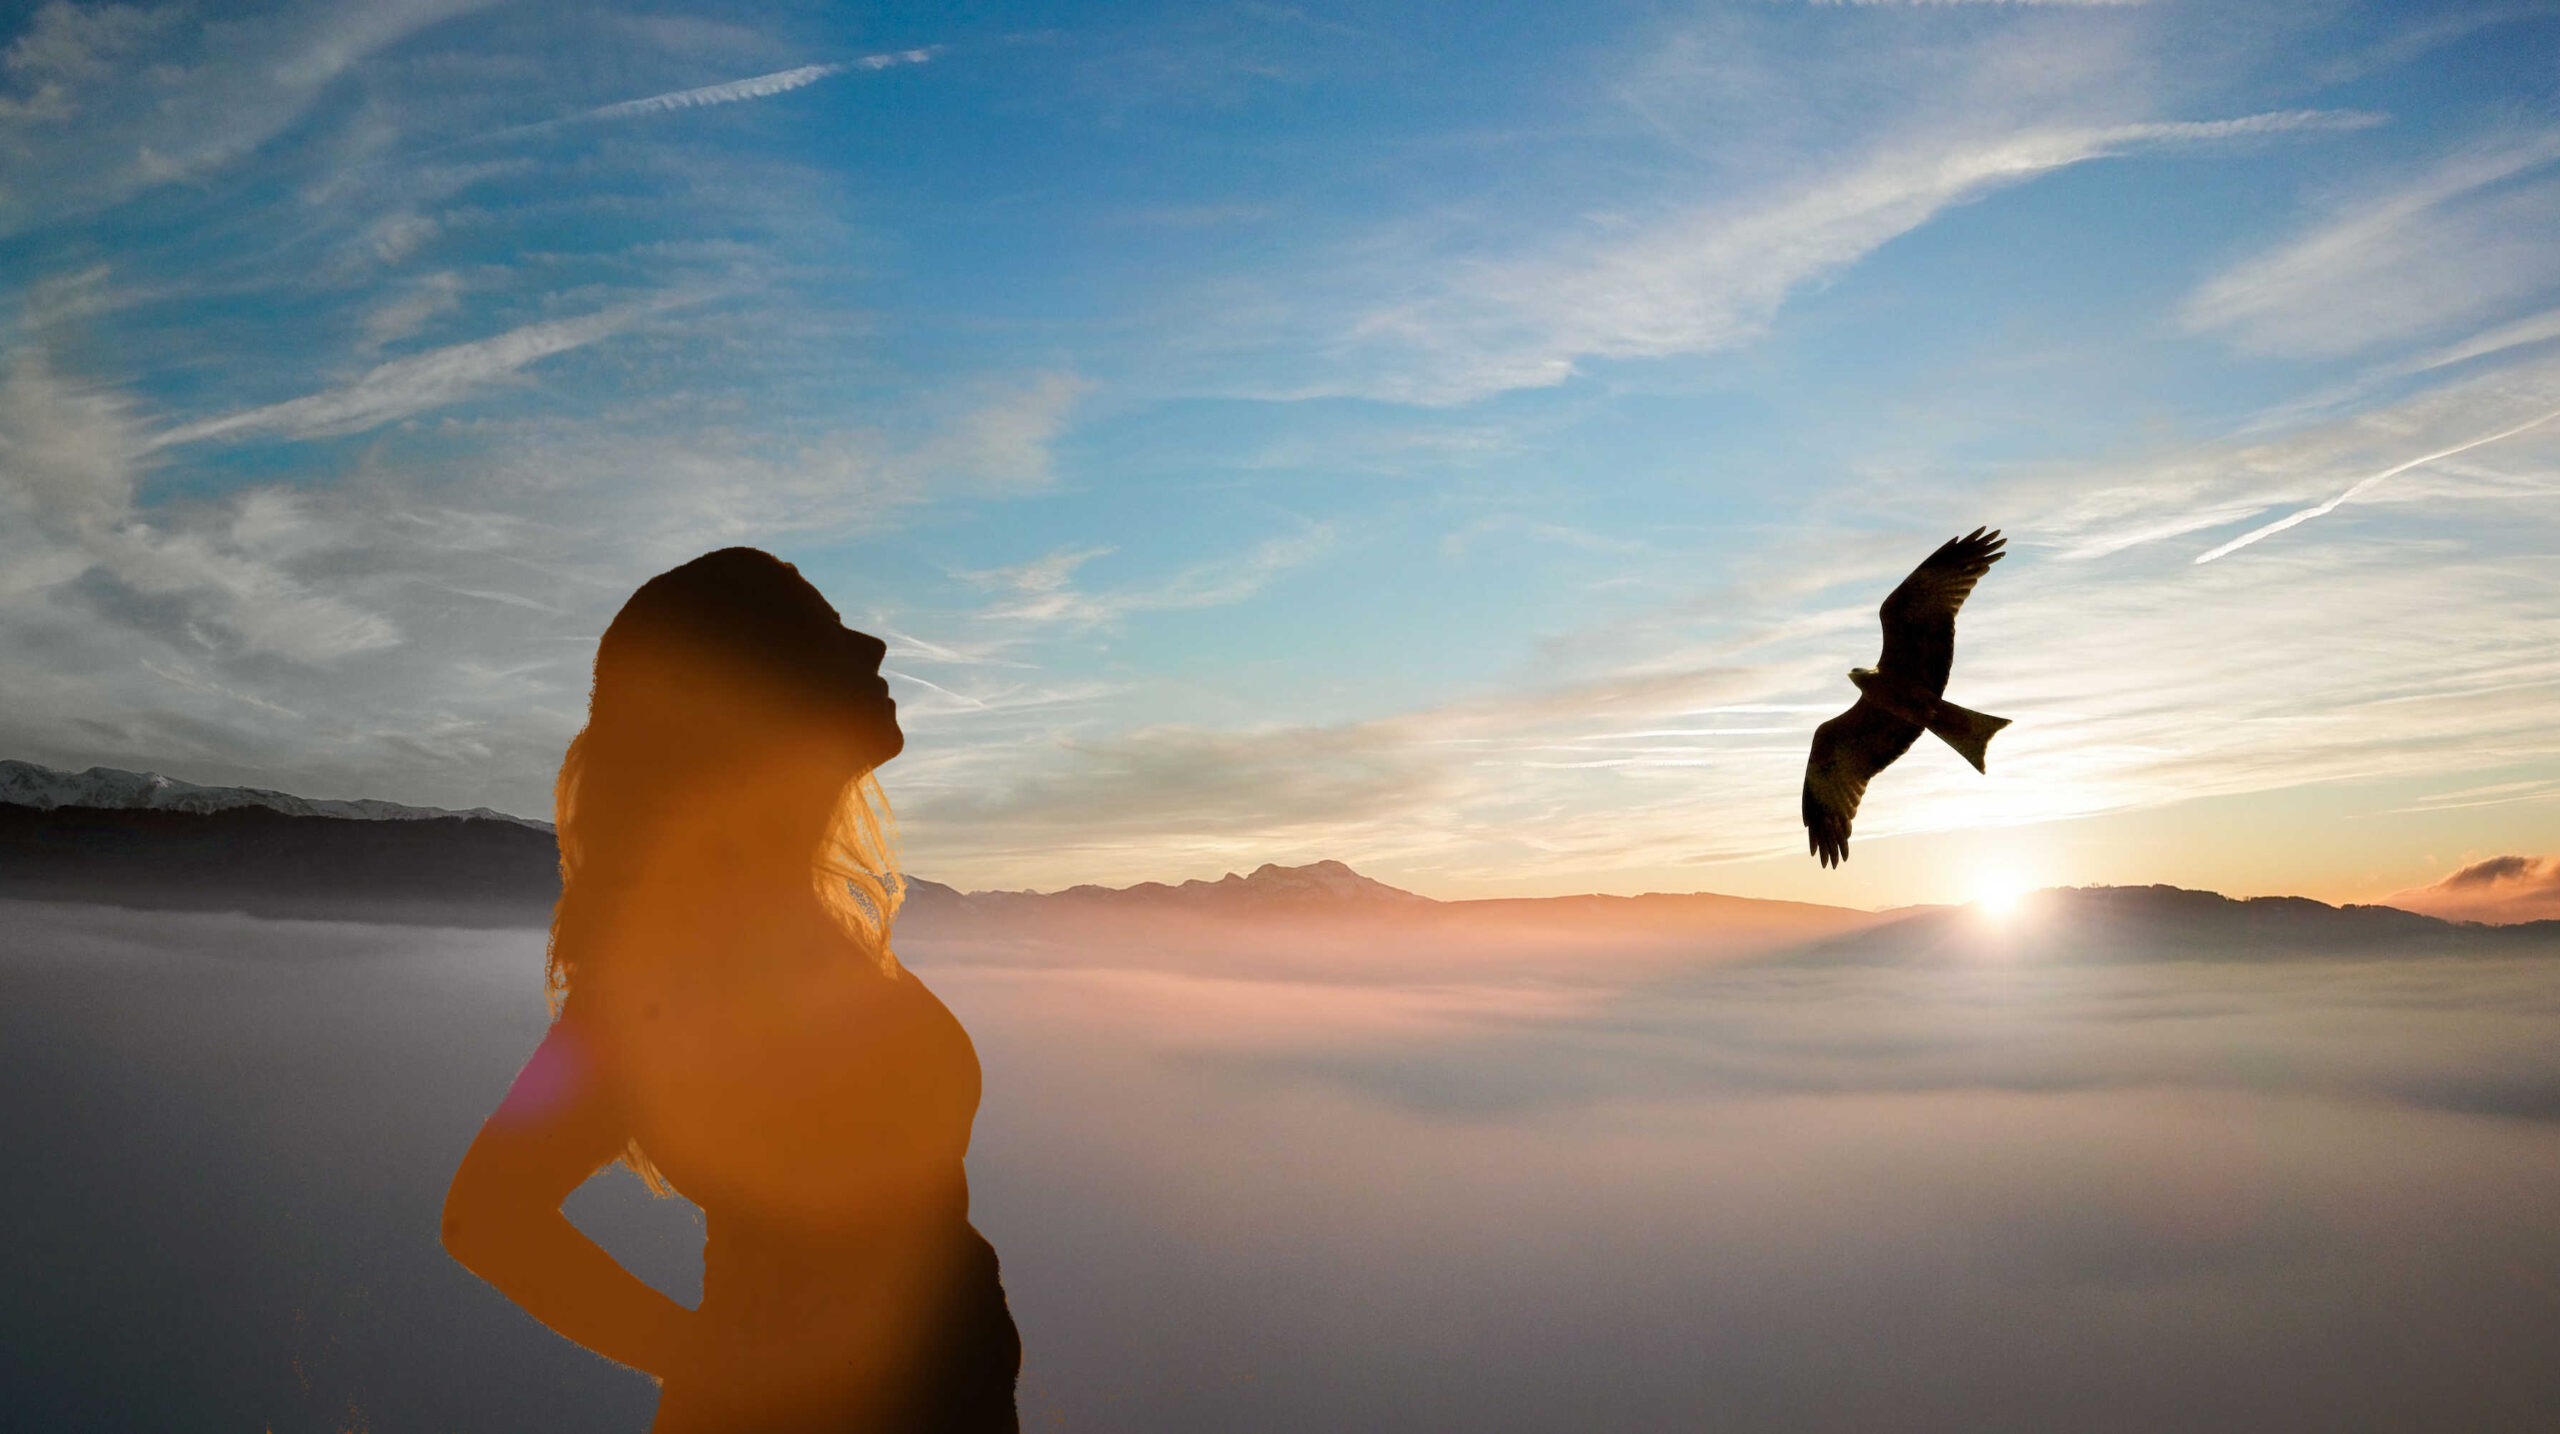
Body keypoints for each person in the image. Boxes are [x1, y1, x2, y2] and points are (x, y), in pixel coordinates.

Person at [441, 547, 1020, 1432]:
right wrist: (712, 1365)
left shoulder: (782, 927)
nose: (871, 647)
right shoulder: (683, 962)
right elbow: (487, 1214)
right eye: (820, 636)